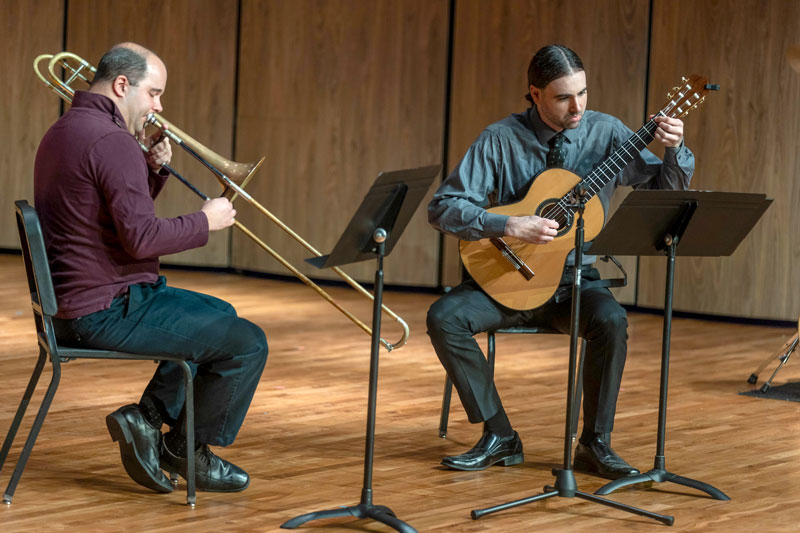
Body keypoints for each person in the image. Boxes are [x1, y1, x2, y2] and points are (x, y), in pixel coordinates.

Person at [426, 44, 693, 479]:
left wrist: (674, 150)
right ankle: (500, 435)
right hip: (507, 278)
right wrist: (509, 225)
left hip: (574, 281)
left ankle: (594, 444)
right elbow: (443, 207)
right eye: (564, 97)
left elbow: (664, 193)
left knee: (612, 322)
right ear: (534, 94)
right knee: (444, 317)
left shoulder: (606, 133)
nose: (578, 106)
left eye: (583, 93)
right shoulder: (499, 138)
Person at [34, 43, 268, 493]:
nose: (159, 107)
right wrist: (206, 221)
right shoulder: (111, 140)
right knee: (247, 344)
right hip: (104, 308)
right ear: (122, 85)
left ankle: (147, 419)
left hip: (76, 305)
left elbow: (108, 216)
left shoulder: (65, 130)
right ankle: (187, 451)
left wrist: (150, 170)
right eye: (154, 93)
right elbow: (141, 238)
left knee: (219, 314)